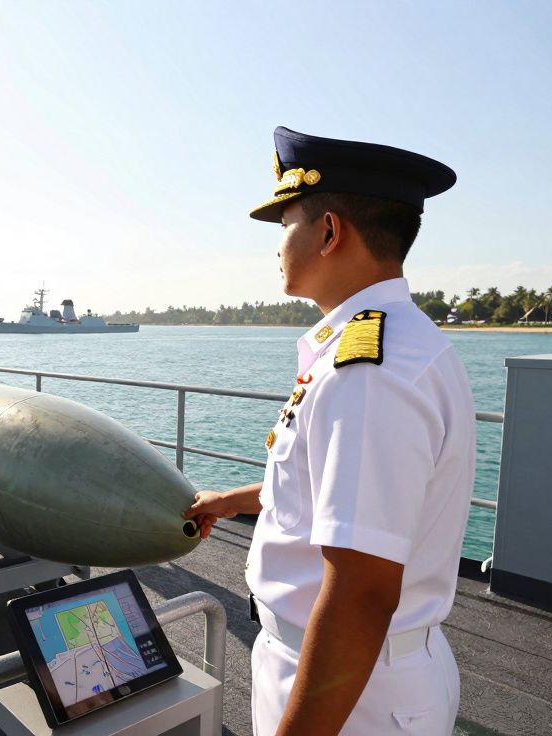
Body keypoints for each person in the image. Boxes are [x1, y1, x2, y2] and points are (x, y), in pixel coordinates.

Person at [184, 127, 476, 736]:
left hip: (351, 692)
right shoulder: (395, 344)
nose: (278, 244)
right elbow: (336, 495)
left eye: (286, 221)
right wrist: (233, 500)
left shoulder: (368, 373)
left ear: (329, 232)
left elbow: (361, 594)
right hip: (356, 672)